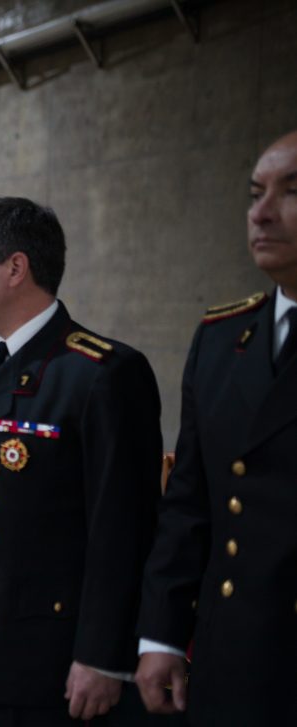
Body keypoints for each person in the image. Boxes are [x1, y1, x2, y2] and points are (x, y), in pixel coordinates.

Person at [0, 197, 163, 726]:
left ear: (16, 268)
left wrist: (103, 656)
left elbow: (123, 531)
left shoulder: (100, 373)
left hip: (44, 649)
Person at [135, 130, 297, 725]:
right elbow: (189, 503)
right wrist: (162, 634)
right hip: (232, 655)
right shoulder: (223, 339)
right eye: (255, 194)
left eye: (291, 191)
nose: (261, 212)